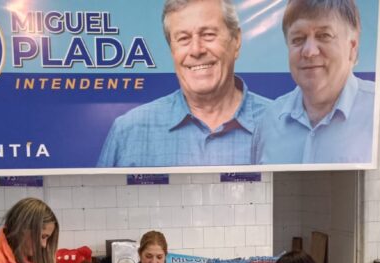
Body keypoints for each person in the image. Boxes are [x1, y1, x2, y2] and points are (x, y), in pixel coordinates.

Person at [96, 0, 270, 167]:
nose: (196, 50)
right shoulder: (129, 131)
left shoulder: (280, 125)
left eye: (208, 35)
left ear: (236, 40)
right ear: (172, 50)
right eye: (183, 38)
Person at [252, 0, 376, 165]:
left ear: (352, 48)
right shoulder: (269, 121)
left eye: (324, 36)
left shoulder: (379, 112)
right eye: (298, 39)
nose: (309, 51)